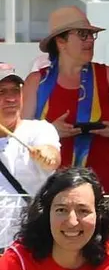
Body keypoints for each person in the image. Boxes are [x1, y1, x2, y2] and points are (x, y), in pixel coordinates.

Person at [21, 7, 109, 195]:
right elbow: (21, 139)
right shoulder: (36, 81)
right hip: (51, 191)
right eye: (83, 35)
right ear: (61, 41)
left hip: (104, 188)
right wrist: (50, 132)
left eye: (91, 35)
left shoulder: (107, 75)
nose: (90, 40)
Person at [0, 63, 61, 246]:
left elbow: (52, 156)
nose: (11, 99)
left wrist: (48, 155)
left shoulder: (38, 129)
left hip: (28, 247)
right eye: (1, 92)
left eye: (15, 91)